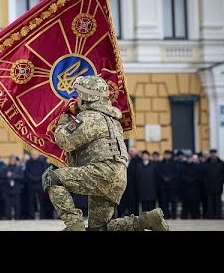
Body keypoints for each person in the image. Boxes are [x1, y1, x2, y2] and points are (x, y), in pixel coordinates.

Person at [42, 75, 169, 231]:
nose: (76, 100)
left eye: (78, 96)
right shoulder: (113, 120)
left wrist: (64, 118)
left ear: (86, 98)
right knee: (100, 228)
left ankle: (74, 225)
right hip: (117, 176)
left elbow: (64, 140)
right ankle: (145, 221)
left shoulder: (89, 117)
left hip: (101, 172)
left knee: (51, 178)